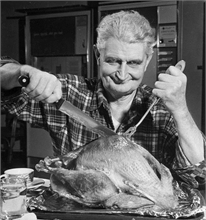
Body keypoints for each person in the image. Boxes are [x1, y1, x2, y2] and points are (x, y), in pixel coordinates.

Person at [1, 10, 205, 188]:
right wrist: (22, 73)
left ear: (147, 61)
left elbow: (199, 176)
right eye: (113, 61)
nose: (122, 74)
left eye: (133, 63)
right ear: (98, 56)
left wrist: (180, 109)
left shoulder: (160, 109)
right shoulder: (67, 94)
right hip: (80, 218)